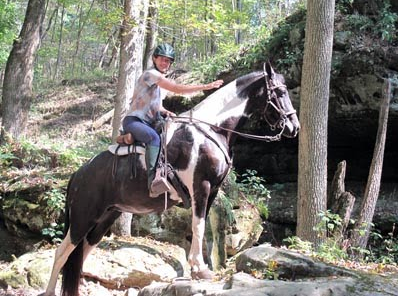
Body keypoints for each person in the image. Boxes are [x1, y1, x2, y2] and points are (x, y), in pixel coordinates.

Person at [120, 43, 224, 198]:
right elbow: (177, 88)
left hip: (150, 122)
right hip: (135, 121)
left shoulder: (158, 84)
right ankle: (153, 182)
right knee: (154, 138)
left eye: (168, 61)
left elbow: (158, 106)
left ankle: (169, 173)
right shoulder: (151, 75)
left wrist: (167, 112)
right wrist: (206, 86)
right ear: (154, 59)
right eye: (162, 59)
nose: (165, 63)